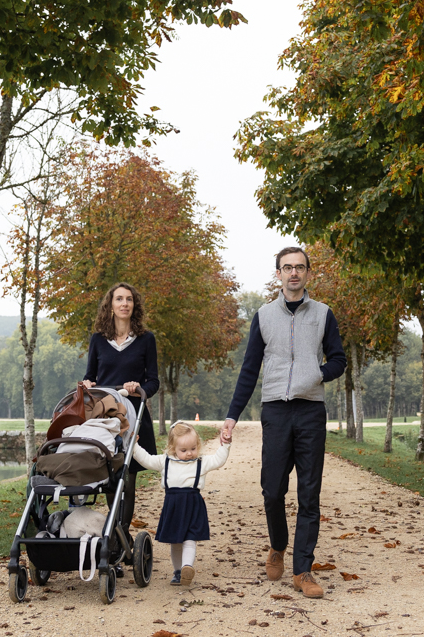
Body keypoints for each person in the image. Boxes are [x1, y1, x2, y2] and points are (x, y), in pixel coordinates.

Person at [221, 246, 346, 599]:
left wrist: (316, 374)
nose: (294, 273)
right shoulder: (263, 316)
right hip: (275, 410)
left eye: (300, 267)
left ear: (308, 273)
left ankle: (303, 570)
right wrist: (232, 416)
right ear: (278, 274)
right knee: (273, 490)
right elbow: (249, 370)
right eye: (287, 267)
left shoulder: (323, 314)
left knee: (309, 492)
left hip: (311, 411)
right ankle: (278, 544)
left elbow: (339, 360)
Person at [82, 282, 159, 529]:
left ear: (134, 305)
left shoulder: (146, 339)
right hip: (106, 414)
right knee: (110, 474)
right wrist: (87, 383)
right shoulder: (98, 340)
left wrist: (140, 388)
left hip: (133, 414)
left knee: (128, 478)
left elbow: (154, 381)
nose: (124, 303)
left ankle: (122, 531)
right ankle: (113, 532)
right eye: (119, 299)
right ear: (110, 305)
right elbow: (90, 376)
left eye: (129, 299)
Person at [132, 422, 231, 586]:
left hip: (193, 505)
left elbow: (218, 460)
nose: (189, 453)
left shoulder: (201, 462)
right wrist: (134, 446)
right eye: (183, 450)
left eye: (193, 448)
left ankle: (187, 567)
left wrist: (226, 444)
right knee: (176, 541)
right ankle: (178, 572)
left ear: (197, 445)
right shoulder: (165, 461)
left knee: (190, 538)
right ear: (173, 448)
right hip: (173, 506)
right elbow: (146, 459)